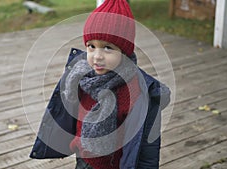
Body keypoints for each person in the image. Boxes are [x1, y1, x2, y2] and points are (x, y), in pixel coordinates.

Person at [30, 0, 171, 168]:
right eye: (91, 46)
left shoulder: (133, 90)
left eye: (108, 48)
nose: (97, 56)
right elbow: (64, 111)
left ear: (124, 52)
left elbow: (146, 149)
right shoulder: (80, 76)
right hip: (83, 157)